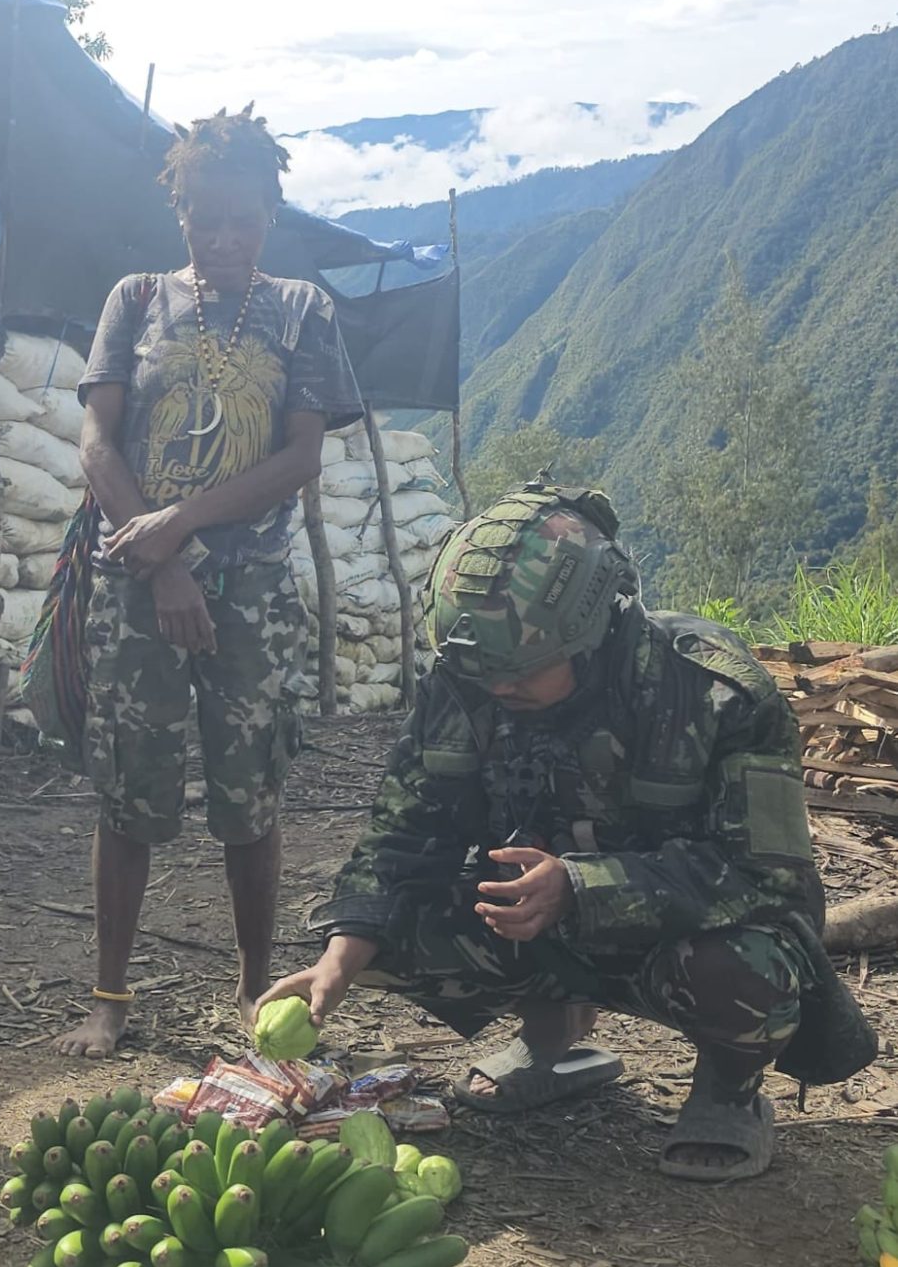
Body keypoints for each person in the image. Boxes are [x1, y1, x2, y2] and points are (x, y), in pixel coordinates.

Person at [259, 480, 876, 1181]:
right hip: (538, 926)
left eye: (519, 672)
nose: (497, 689)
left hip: (683, 940)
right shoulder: (472, 677)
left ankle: (727, 1093)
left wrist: (583, 886)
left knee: (748, 967)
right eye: (485, 672)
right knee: (382, 928)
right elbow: (404, 831)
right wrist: (344, 954)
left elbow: (767, 878)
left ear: (591, 634)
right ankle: (553, 1041)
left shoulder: (711, 690)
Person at [60, 105, 362, 1058]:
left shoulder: (303, 310)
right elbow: (97, 441)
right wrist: (163, 561)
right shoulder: (134, 300)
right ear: (179, 209)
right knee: (128, 790)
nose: (225, 238)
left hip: (253, 593)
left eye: (245, 219)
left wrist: (181, 525)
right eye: (205, 217)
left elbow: (300, 459)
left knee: (250, 791)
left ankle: (250, 987)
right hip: (137, 586)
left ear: (272, 211)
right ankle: (110, 995)